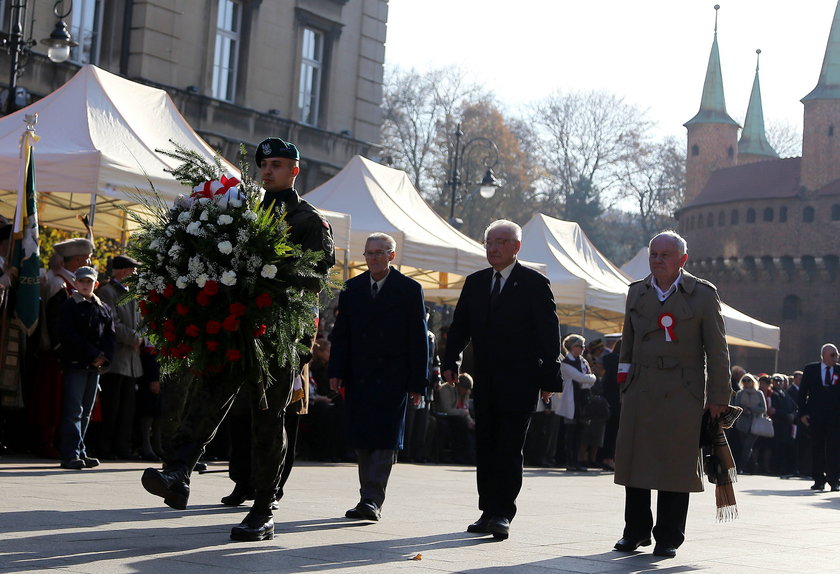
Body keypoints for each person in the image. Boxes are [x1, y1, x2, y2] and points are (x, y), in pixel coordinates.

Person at [141, 137, 335, 542]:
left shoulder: (308, 220)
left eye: (278, 165)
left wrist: (268, 270)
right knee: (207, 397)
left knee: (267, 419)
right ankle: (178, 471)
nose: (268, 170)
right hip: (236, 326)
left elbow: (315, 278)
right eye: (264, 164)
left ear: (294, 170)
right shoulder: (240, 212)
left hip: (277, 335)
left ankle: (263, 507)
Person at [612, 231, 730, 559]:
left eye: (665, 254)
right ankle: (634, 532)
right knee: (635, 463)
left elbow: (717, 350)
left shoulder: (703, 295)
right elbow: (628, 344)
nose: (658, 260)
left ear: (682, 260)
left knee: (676, 467)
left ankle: (668, 537)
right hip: (641, 389)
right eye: (654, 254)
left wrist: (719, 396)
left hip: (683, 393)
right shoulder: (637, 292)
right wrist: (625, 385)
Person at [442, 219, 561, 541]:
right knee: (487, 444)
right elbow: (460, 326)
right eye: (489, 241)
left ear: (516, 247)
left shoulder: (534, 283)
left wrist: (550, 377)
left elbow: (549, 333)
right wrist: (450, 360)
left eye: (500, 242)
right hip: (487, 378)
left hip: (521, 380)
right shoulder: (476, 282)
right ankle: (487, 509)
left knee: (509, 446)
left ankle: (503, 513)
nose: (492, 248)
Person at [328, 232, 428, 521]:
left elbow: (418, 338)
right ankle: (366, 496)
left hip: (393, 377)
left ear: (391, 256)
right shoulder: (352, 287)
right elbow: (342, 335)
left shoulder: (409, 289)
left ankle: (372, 499)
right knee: (363, 437)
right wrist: (336, 370)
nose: (372, 258)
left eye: (378, 253)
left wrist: (418, 382)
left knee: (384, 439)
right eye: (368, 253)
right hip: (359, 374)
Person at [57, 266, 115, 469]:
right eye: (81, 281)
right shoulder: (69, 306)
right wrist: (93, 354)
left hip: (95, 366)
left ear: (96, 284)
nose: (85, 285)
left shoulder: (103, 307)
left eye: (89, 282)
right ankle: (70, 454)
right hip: (76, 363)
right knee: (74, 410)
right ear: (75, 283)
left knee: (87, 411)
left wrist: (104, 357)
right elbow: (69, 335)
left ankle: (81, 451)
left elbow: (110, 336)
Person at [96, 255, 143, 460]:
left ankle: (122, 447)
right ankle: (105, 447)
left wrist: (141, 335)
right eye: (133, 271)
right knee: (111, 407)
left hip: (131, 361)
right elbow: (112, 322)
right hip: (115, 361)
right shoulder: (107, 291)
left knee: (127, 409)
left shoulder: (131, 293)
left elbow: (140, 319)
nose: (135, 275)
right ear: (124, 271)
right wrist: (134, 337)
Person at [797, 343, 840, 492]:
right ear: (824, 355)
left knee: (834, 449)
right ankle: (818, 480)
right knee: (817, 448)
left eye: (837, 354)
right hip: (816, 416)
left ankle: (834, 480)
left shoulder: (839, 370)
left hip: (835, 418)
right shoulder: (811, 369)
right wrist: (802, 413)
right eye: (833, 355)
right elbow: (802, 393)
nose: (836, 357)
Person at [557, 334, 596, 472]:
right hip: (571, 400)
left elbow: (591, 377)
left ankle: (576, 460)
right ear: (573, 347)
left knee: (580, 432)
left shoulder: (582, 361)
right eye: (580, 346)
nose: (583, 348)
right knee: (570, 432)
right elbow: (580, 377)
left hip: (582, 400)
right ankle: (569, 460)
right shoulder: (566, 363)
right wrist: (588, 378)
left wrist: (588, 379)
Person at [732, 373, 766, 474]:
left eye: (748, 380)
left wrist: (751, 409)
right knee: (745, 447)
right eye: (744, 381)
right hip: (742, 424)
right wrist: (744, 410)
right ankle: (753, 466)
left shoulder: (759, 393)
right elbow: (736, 407)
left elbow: (763, 409)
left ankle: (741, 467)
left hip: (755, 424)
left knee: (747, 446)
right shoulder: (740, 393)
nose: (746, 382)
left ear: (753, 382)